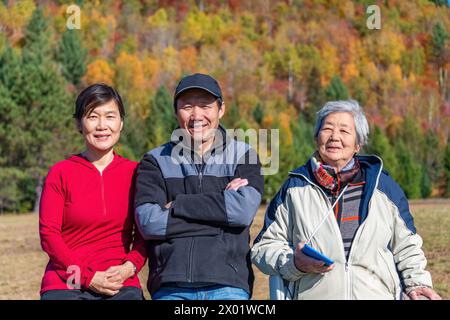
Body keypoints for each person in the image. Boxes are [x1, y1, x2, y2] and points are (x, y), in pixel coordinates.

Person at [251, 100, 441, 300]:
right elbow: (263, 247)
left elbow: (407, 245)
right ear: (317, 138)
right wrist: (294, 263)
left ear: (358, 144)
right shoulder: (295, 188)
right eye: (327, 129)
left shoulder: (383, 187)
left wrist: (417, 284)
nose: (334, 137)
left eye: (344, 131)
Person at [134, 73, 264, 300]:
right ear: (176, 111)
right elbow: (149, 222)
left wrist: (178, 204)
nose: (196, 116)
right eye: (187, 106)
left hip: (228, 285)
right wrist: (220, 218)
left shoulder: (244, 156)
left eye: (205, 106)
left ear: (221, 110)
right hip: (171, 286)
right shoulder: (155, 161)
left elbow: (242, 212)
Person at [39, 83, 147, 300]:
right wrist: (86, 278)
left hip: (119, 281)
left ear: (121, 123)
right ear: (79, 124)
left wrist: (129, 267)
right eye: (92, 116)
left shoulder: (137, 173)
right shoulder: (60, 173)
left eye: (109, 116)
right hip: (67, 281)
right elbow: (49, 235)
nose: (101, 125)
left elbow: (146, 231)